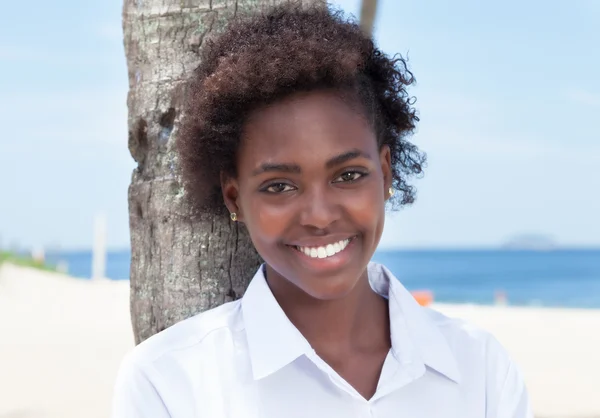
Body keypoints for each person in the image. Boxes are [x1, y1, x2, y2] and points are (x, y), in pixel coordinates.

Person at [112, 4, 532, 418]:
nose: (319, 215)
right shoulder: (169, 384)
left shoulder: (480, 372)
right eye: (279, 186)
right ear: (234, 197)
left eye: (348, 176)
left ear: (385, 174)